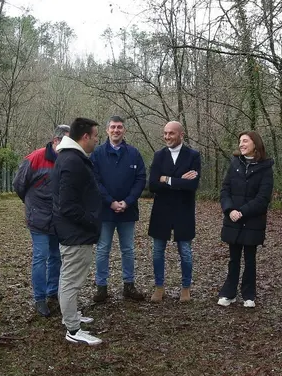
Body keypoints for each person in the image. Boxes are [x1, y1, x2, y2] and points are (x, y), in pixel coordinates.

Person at [52, 117, 103, 345]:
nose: (96, 140)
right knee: (71, 280)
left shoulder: (71, 157)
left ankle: (71, 316)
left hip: (75, 231)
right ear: (85, 137)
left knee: (69, 277)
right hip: (76, 233)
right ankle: (72, 329)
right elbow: (68, 205)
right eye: (95, 136)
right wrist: (92, 221)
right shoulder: (72, 161)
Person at [13, 125, 70, 317]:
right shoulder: (35, 159)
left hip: (59, 217)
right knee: (41, 256)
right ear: (56, 141)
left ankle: (52, 291)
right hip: (38, 217)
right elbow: (19, 185)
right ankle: (39, 298)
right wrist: (33, 205)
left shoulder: (68, 159)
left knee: (57, 256)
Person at [90, 116, 147, 303]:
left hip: (127, 211)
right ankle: (101, 288)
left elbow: (140, 179)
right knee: (102, 249)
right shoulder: (97, 154)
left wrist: (127, 201)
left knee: (128, 249)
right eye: (113, 127)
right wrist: (110, 202)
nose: (116, 130)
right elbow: (95, 181)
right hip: (105, 211)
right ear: (107, 130)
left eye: (119, 127)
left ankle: (129, 285)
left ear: (124, 130)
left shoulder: (133, 153)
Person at [218, 131, 274, 308]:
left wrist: (242, 212)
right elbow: (225, 189)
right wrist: (230, 209)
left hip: (252, 221)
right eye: (240, 141)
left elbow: (263, 198)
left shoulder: (266, 168)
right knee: (233, 259)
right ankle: (229, 293)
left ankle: (249, 295)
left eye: (245, 141)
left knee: (250, 259)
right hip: (233, 220)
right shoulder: (235, 163)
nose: (241, 144)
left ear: (255, 144)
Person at [147, 121, 201, 303]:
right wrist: (179, 181)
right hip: (161, 211)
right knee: (157, 252)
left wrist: (167, 179)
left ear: (181, 135)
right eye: (165, 133)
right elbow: (152, 185)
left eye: (171, 133)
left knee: (185, 252)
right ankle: (159, 287)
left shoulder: (193, 156)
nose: (167, 137)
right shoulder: (159, 155)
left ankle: (186, 288)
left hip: (184, 211)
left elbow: (192, 185)